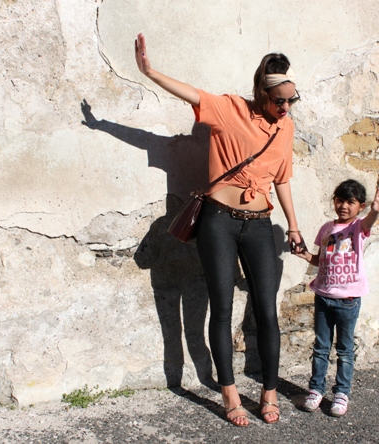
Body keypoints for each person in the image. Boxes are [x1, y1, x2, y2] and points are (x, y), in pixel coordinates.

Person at [134, 33, 304, 426]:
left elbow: (282, 179)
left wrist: (294, 226)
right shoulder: (230, 109)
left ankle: (269, 391)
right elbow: (190, 94)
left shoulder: (286, 128)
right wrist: (150, 72)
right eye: (279, 100)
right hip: (219, 222)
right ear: (262, 92)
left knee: (266, 310)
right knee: (221, 309)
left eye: (291, 100)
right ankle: (229, 392)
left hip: (259, 224)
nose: (285, 107)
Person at [294, 179, 379, 417]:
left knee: (345, 350)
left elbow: (369, 222)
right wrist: (305, 255)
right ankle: (316, 390)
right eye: (339, 200)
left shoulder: (358, 227)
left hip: (347, 300)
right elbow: (321, 259)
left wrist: (375, 211)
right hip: (323, 296)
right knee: (320, 347)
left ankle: (341, 393)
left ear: (361, 206)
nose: (344, 206)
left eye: (350, 202)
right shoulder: (326, 228)